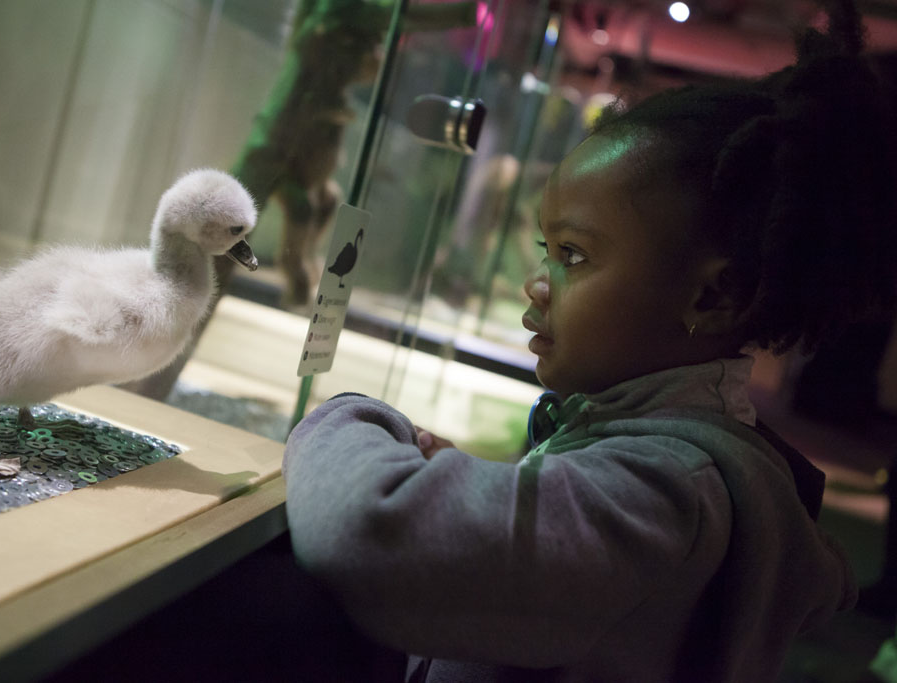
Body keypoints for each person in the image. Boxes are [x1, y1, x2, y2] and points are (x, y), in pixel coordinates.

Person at [282, 0, 897, 680]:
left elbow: (370, 536)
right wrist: (497, 490)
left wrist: (345, 416)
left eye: (573, 255)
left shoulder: (662, 494)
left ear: (711, 297)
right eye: (547, 250)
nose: (537, 283)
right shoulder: (663, 459)